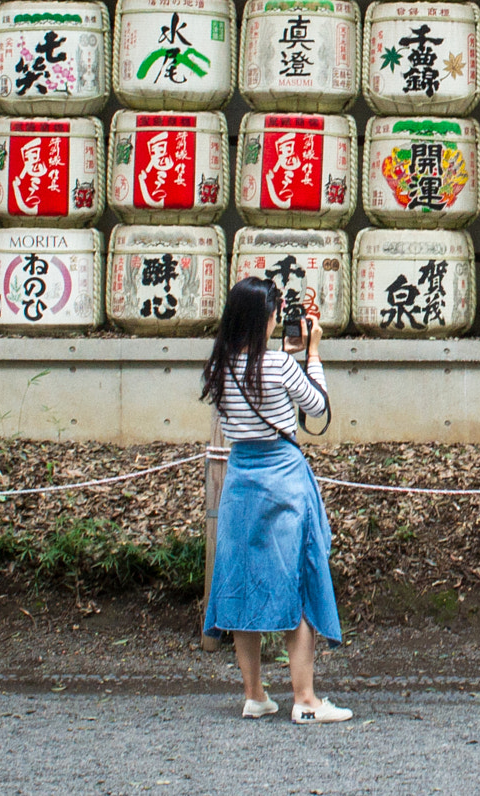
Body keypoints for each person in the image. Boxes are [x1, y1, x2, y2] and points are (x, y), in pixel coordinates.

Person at [200, 278, 351, 724]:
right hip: (283, 477)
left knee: (243, 585)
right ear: (264, 319)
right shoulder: (280, 366)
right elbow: (318, 407)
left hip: (241, 479)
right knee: (296, 583)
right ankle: (304, 700)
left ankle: (254, 695)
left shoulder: (219, 367)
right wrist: (313, 355)